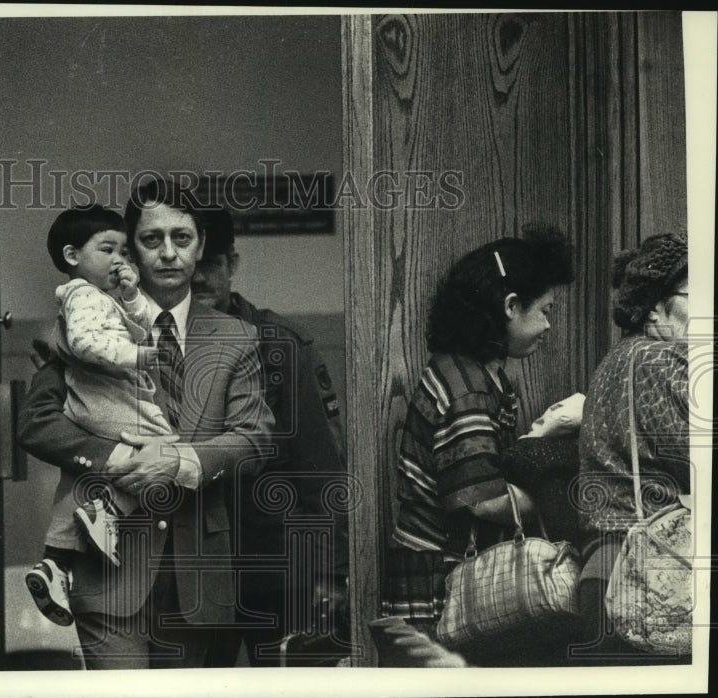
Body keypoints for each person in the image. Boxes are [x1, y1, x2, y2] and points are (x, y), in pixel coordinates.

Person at [17, 179, 276, 669]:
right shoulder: (85, 320)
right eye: (151, 239)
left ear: (201, 246)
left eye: (182, 238)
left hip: (200, 576)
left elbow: (254, 436)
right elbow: (36, 422)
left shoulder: (237, 337)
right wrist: (114, 458)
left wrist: (177, 461)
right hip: (107, 570)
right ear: (130, 249)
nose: (168, 253)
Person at [388, 224, 575, 657]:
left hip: (439, 569)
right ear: (511, 306)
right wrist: (556, 494)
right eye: (545, 310)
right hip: (438, 579)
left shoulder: (472, 372)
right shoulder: (467, 386)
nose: (548, 324)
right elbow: (481, 498)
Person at [191, 207, 350, 666]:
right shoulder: (154, 340)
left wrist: (331, 571)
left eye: (212, 264)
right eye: (192, 265)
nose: (200, 278)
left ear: (232, 265)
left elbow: (320, 464)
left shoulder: (279, 343)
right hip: (196, 572)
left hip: (279, 568)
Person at [24, 204, 171, 627]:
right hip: (102, 400)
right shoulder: (83, 297)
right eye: (108, 250)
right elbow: (91, 344)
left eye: (125, 252)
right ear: (73, 256)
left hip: (105, 399)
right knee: (162, 447)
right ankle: (106, 507)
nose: (120, 261)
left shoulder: (101, 297)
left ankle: (55, 563)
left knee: (86, 477)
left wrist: (129, 294)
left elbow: (140, 321)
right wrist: (139, 355)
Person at [573, 234, 690, 665]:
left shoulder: (622, 357)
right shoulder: (659, 360)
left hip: (610, 576)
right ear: (655, 308)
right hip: (651, 581)